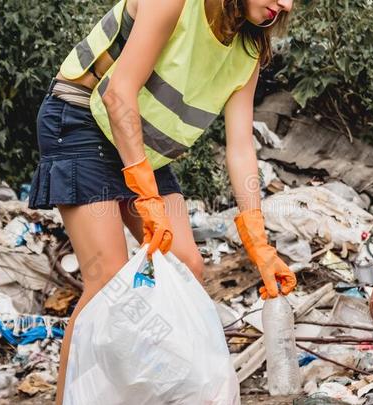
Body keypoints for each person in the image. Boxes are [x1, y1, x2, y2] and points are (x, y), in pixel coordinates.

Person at [27, 0, 295, 403]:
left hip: (142, 146)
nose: (286, 4)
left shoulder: (249, 49)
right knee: (107, 280)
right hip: (82, 118)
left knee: (186, 263)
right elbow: (118, 95)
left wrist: (257, 238)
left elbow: (240, 148)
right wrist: (146, 194)